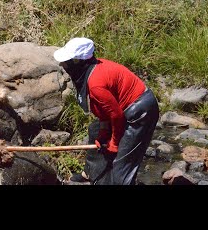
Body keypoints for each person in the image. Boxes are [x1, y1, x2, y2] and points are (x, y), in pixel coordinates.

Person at [53, 37, 159, 185]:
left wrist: (114, 143)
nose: (63, 65)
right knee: (95, 130)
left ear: (78, 62)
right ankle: (91, 173)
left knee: (122, 170)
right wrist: (103, 132)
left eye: (66, 62)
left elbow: (116, 115)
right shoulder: (90, 70)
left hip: (140, 112)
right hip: (125, 109)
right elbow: (104, 110)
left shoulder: (96, 83)